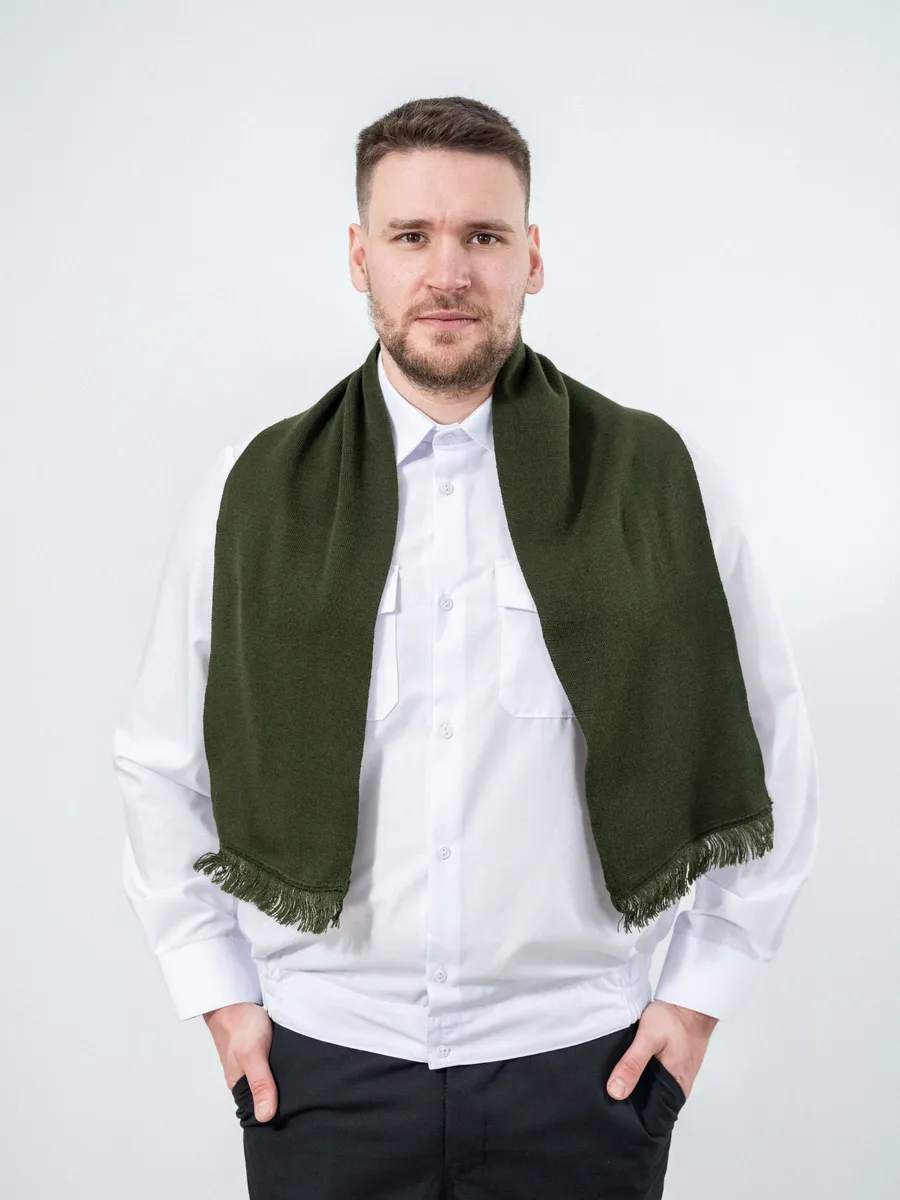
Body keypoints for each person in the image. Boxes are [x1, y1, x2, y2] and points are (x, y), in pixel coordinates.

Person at [112, 95, 819, 1199]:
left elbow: (773, 744)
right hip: (322, 1068)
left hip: (582, 1068)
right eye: (412, 236)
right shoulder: (251, 493)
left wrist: (694, 1003)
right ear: (361, 258)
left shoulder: (655, 482)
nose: (448, 272)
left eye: (483, 236)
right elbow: (159, 760)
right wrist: (222, 998)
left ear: (532, 257)